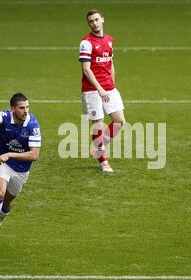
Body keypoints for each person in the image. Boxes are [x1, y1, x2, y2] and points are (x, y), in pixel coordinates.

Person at [0, 93, 41, 247]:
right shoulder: (6, 116)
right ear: (13, 109)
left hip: (21, 170)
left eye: (27, 107)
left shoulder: (33, 125)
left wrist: (9, 154)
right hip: (1, 162)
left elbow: (34, 155)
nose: (25, 111)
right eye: (21, 108)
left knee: (7, 202)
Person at [79, 9, 126, 173]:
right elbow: (86, 69)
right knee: (98, 125)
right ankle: (103, 160)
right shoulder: (86, 43)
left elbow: (110, 63)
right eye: (91, 21)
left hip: (109, 88)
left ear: (102, 20)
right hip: (92, 90)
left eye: (97, 20)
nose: (94, 23)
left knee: (119, 121)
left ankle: (98, 149)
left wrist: (112, 83)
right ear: (89, 24)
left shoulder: (110, 40)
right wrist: (100, 89)